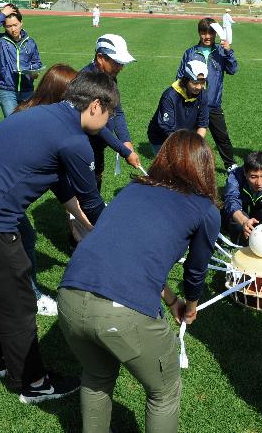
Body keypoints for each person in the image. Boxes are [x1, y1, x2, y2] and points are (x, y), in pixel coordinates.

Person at [0, 70, 117, 403]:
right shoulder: (75, 141)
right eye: (110, 114)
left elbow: (57, 180)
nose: (108, 123)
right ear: (95, 105)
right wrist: (113, 241)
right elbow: (92, 200)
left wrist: (78, 218)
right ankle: (34, 383)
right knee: (19, 304)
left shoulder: (42, 114)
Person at [58, 131, 220, 433]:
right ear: (205, 166)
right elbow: (195, 272)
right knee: (164, 391)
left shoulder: (132, 190)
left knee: (96, 377)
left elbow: (132, 253)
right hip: (121, 311)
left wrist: (171, 301)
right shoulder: (205, 210)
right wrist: (191, 306)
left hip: (69, 297)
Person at [13, 64, 81, 315]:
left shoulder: (28, 111)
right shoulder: (43, 124)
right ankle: (32, 296)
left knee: (24, 239)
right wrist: (76, 213)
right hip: (1, 199)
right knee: (23, 240)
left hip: (4, 196)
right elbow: (56, 176)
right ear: (59, 93)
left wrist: (75, 212)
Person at [176, 17, 238, 170]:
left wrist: (229, 51)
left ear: (216, 34)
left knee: (222, 137)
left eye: (211, 33)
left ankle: (230, 164)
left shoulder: (221, 52)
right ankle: (184, 163)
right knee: (189, 135)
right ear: (199, 33)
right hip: (192, 102)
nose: (207, 36)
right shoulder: (190, 52)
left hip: (212, 103)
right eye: (203, 33)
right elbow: (179, 76)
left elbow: (233, 69)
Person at [82, 34, 142, 191]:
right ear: (100, 57)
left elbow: (117, 111)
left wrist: (126, 140)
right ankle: (77, 215)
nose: (120, 67)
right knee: (83, 181)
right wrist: (124, 151)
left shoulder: (109, 76)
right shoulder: (88, 81)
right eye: (117, 63)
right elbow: (96, 126)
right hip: (82, 142)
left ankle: (91, 211)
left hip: (98, 142)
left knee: (96, 175)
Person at [0, 4, 43, 117]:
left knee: (28, 123)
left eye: (15, 25)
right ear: (4, 27)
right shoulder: (0, 41)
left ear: (21, 23)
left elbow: (37, 63)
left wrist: (34, 72)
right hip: (7, 91)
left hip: (27, 91)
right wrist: (2, 14)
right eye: (9, 26)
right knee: (12, 124)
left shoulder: (30, 42)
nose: (13, 29)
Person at [147, 59, 210, 153]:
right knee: (169, 166)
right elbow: (167, 129)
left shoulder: (202, 94)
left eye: (202, 82)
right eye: (195, 82)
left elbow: (203, 124)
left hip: (186, 137)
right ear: (186, 80)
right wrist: (183, 149)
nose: (199, 87)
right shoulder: (169, 96)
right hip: (162, 138)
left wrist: (195, 144)